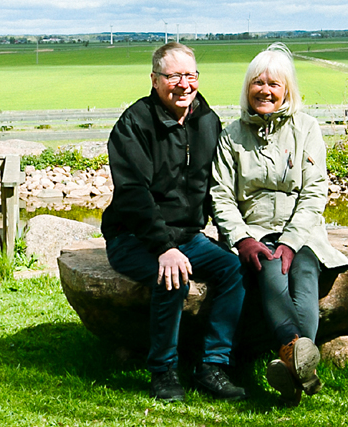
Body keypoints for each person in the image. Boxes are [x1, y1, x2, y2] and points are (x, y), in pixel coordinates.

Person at [101, 42, 247, 403]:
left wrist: (238, 236)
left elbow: (216, 186)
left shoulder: (207, 122)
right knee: (173, 277)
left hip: (187, 237)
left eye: (191, 75)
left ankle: (212, 365)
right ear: (154, 80)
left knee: (236, 270)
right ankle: (163, 372)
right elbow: (134, 193)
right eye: (174, 76)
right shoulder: (134, 124)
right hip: (133, 237)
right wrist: (164, 247)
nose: (184, 84)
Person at [210, 43, 348, 406]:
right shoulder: (232, 136)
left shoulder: (306, 128)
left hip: (302, 229)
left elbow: (315, 189)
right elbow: (221, 195)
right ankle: (299, 358)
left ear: (287, 89)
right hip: (254, 230)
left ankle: (290, 361)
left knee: (304, 269)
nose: (265, 90)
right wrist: (241, 238)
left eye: (274, 83)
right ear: (247, 88)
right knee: (271, 268)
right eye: (258, 82)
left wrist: (291, 239)